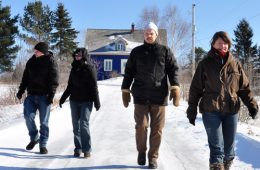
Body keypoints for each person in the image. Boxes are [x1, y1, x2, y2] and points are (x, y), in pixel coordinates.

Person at [186, 31, 259, 170]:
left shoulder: (236, 64)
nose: (223, 46)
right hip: (210, 110)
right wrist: (192, 109)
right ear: (213, 44)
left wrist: (252, 105)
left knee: (229, 149)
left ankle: (226, 165)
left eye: (225, 43)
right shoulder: (205, 64)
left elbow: (244, 88)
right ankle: (216, 166)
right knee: (217, 148)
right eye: (219, 43)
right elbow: (196, 89)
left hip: (231, 110)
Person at [121, 22, 180, 169]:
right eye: (146, 32)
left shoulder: (165, 51)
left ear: (156, 34)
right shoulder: (136, 52)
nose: (148, 35)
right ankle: (141, 151)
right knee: (141, 126)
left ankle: (153, 157)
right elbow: (128, 72)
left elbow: (173, 69)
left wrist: (175, 87)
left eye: (151, 32)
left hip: (159, 96)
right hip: (140, 95)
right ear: (144, 34)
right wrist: (125, 89)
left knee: (157, 129)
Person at [16, 42, 59, 154]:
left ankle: (43, 144)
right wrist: (21, 91)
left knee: (44, 122)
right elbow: (25, 78)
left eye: (37, 50)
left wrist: (51, 95)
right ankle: (34, 138)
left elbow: (54, 80)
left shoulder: (50, 61)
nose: (35, 52)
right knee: (28, 117)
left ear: (43, 51)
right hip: (31, 95)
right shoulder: (31, 61)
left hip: (44, 96)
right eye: (35, 50)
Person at [59, 48, 100, 158]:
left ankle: (87, 149)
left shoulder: (90, 68)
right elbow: (70, 86)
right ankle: (78, 148)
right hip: (74, 101)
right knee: (76, 126)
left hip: (87, 101)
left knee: (83, 124)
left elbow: (94, 86)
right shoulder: (74, 68)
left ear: (84, 56)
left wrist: (97, 101)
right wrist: (62, 98)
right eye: (75, 56)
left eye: (79, 56)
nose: (77, 57)